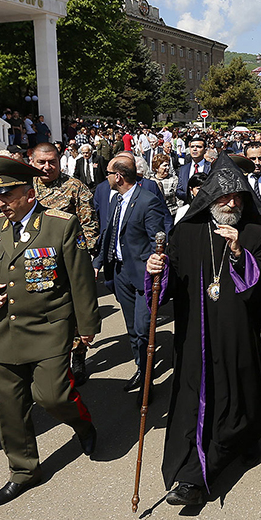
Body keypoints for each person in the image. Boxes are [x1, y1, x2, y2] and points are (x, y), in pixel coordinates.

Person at [0, 155, 99, 506]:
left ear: (29, 193)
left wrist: (87, 327)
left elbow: (80, 280)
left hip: (48, 328)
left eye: (8, 195)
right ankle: (24, 471)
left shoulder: (60, 225)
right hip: (4, 334)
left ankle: (83, 424)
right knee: (11, 409)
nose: (1, 203)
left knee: (52, 397)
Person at [147, 155, 261, 506]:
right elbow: (167, 285)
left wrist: (237, 253)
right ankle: (192, 478)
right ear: (208, 197)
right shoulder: (186, 231)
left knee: (240, 396)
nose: (231, 203)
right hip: (195, 335)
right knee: (195, 403)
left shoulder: (255, 232)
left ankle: (245, 439)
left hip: (238, 334)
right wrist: (157, 270)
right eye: (223, 197)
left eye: (238, 198)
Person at [29, 143, 99, 383]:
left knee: (73, 309)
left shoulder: (74, 187)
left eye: (52, 162)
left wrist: (85, 257)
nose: (47, 167)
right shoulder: (25, 187)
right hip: (34, 263)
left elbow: (88, 224)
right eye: (42, 162)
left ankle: (78, 354)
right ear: (32, 161)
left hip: (67, 261)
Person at [97, 155, 166, 395]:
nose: (105, 178)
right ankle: (141, 367)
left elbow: (157, 238)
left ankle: (147, 380)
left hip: (141, 275)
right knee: (131, 327)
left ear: (118, 176)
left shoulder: (147, 201)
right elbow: (110, 233)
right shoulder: (116, 200)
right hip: (119, 271)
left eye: (107, 173)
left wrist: (154, 263)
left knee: (142, 327)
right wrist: (99, 261)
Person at [175, 135, 212, 204]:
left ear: (205, 150)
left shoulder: (211, 167)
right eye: (192, 147)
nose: (195, 149)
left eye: (198, 147)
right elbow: (179, 190)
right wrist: (190, 196)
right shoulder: (183, 169)